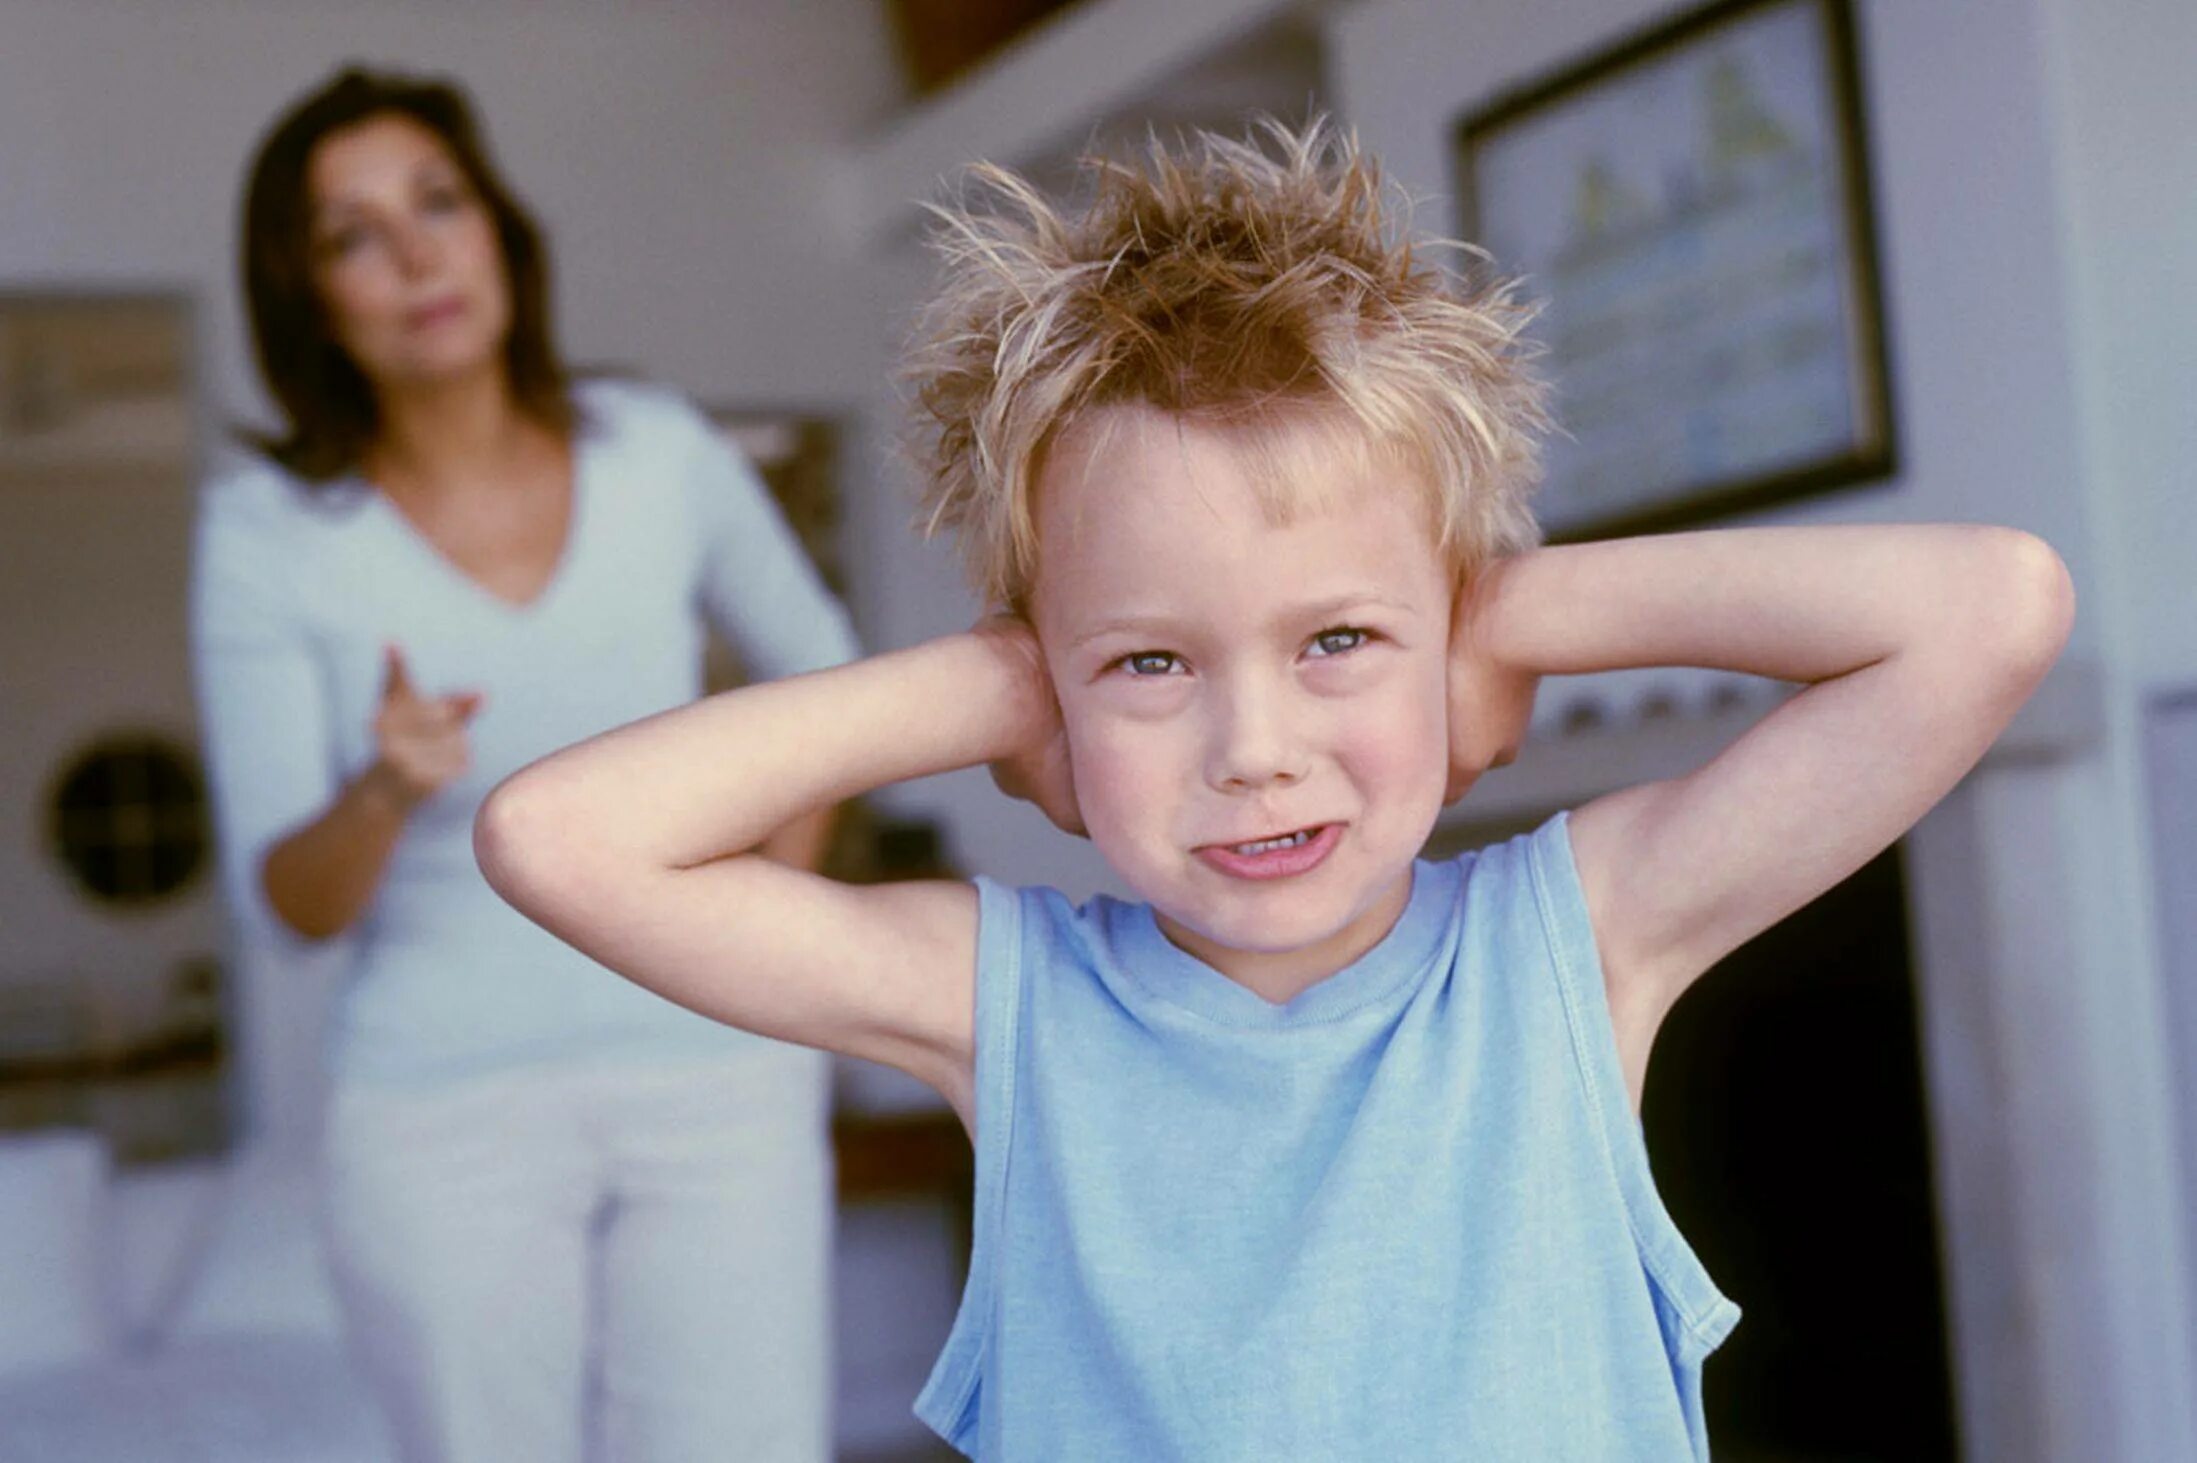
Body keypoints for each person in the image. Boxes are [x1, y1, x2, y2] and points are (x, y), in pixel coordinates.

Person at [474, 119, 2074, 1459]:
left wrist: (1497, 619)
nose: (1252, 747)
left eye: (1334, 640)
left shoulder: (1564, 945)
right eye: (1151, 668)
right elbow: (554, 839)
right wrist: (997, 684)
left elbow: (1990, 609)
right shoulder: (1006, 1008)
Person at [189, 66, 855, 1463]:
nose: (418, 251)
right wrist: (384, 790)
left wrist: (758, 907)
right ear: (304, 293)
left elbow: (832, 680)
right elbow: (288, 910)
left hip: (715, 1073)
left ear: (498, 227)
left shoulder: (657, 452)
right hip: (443, 1117)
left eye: (440, 202)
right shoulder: (270, 530)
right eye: (352, 233)